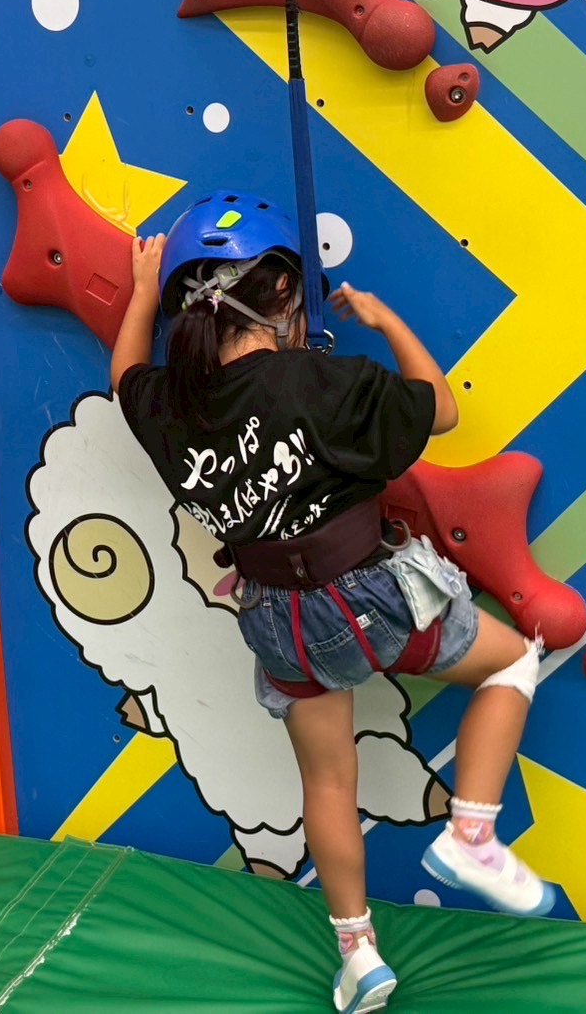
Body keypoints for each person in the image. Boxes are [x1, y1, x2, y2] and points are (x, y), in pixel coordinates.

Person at [111, 192, 554, 1014]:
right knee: (511, 667)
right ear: (284, 291)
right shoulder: (324, 379)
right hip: (372, 598)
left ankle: (359, 958)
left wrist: (139, 292)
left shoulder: (167, 406)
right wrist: (384, 321)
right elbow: (441, 408)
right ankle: (470, 831)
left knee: (325, 782)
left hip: (274, 619)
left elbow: (124, 378)